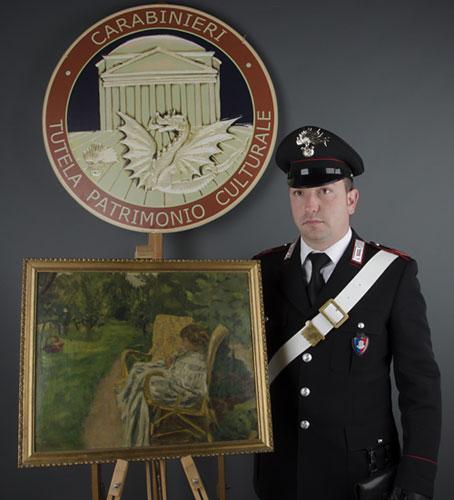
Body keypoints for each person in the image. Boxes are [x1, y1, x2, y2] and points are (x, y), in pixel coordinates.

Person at [253, 126, 441, 500]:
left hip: (359, 478)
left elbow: (420, 386)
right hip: (281, 477)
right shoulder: (262, 271)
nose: (310, 206)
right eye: (299, 194)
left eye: (325, 191)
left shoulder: (391, 274)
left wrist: (417, 477)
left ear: (351, 200)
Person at [117, 322, 210, 447]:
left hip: (184, 396)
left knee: (143, 385)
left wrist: (168, 369)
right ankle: (128, 401)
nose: (182, 343)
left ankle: (136, 430)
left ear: (192, 341)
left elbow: (184, 383)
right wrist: (173, 361)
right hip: (176, 386)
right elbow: (179, 371)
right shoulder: (191, 353)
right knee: (139, 369)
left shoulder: (197, 361)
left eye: (184, 340)